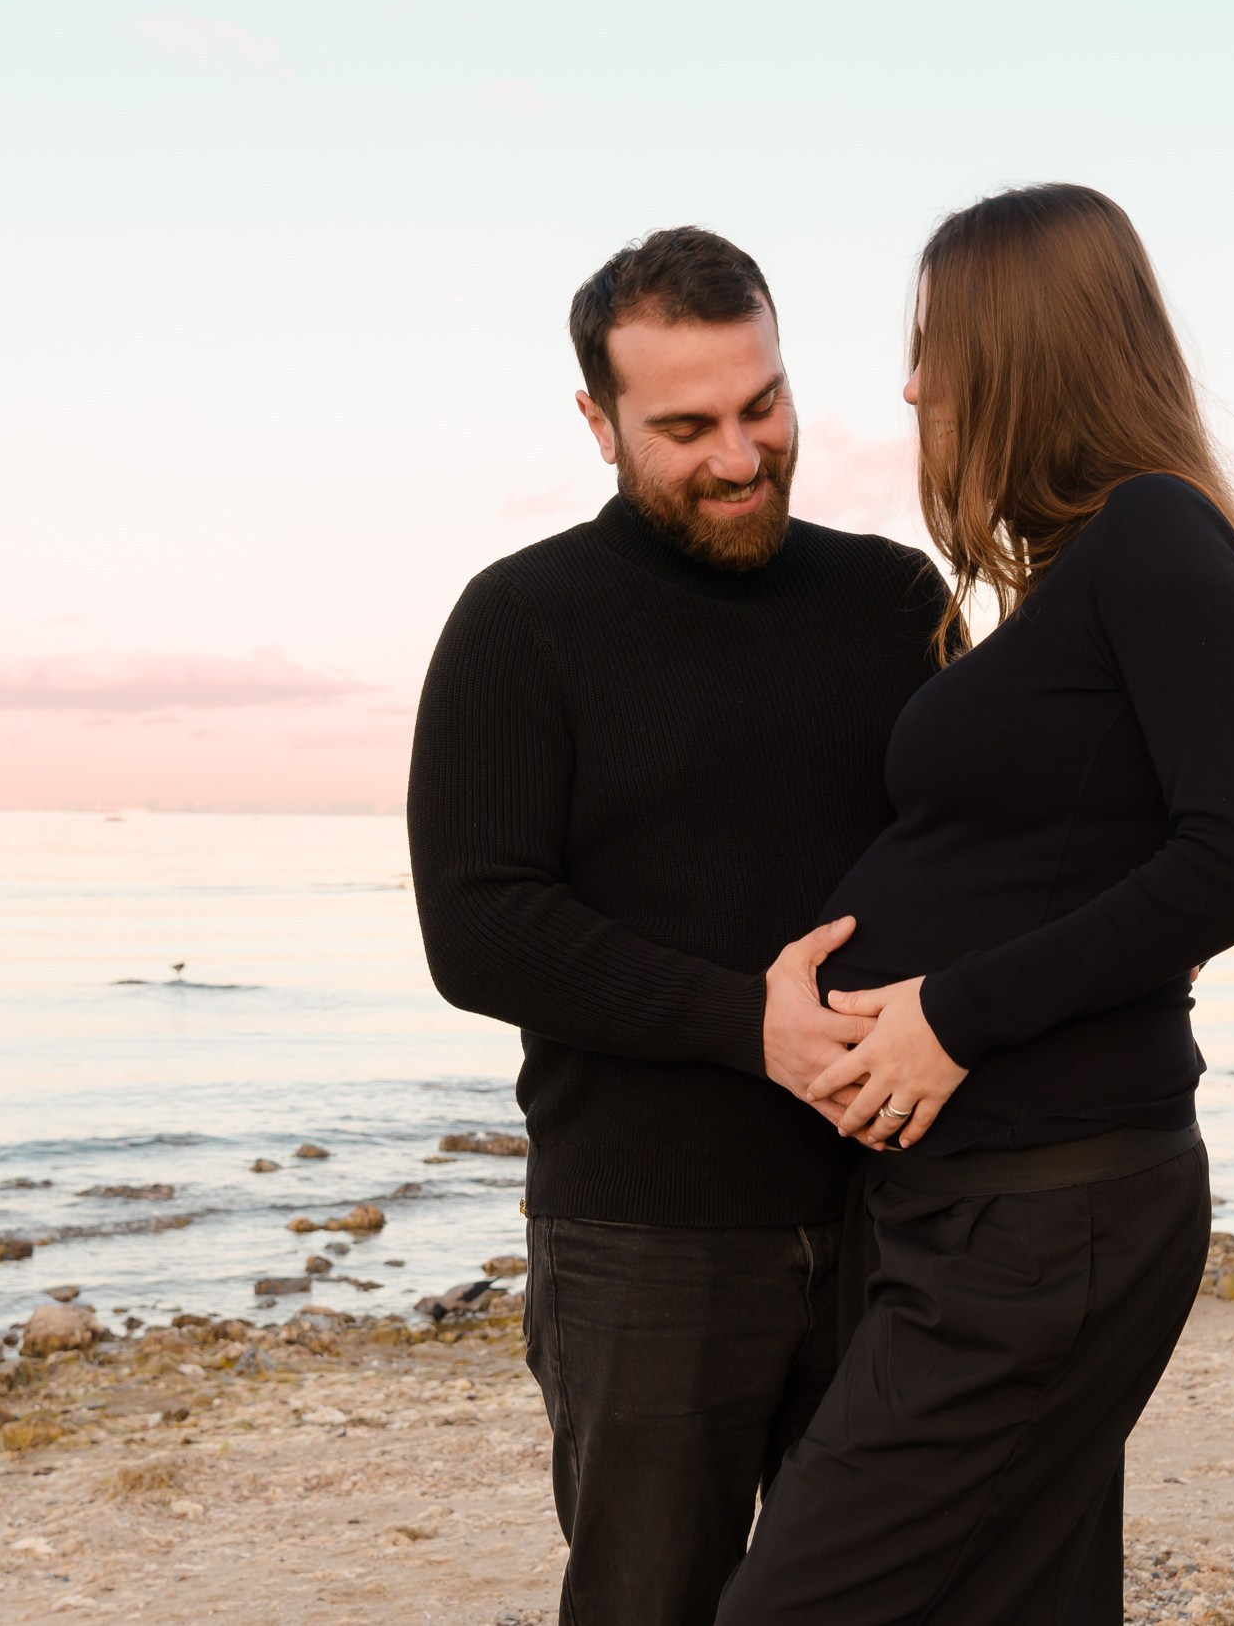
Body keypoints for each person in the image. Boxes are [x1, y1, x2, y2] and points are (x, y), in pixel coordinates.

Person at [716, 183, 1234, 1625]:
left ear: (1024, 349)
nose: (915, 386)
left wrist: (951, 1017)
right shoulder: (1075, 574)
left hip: (1052, 1213)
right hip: (994, 1205)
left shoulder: (1157, 533)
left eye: (938, 346)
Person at [405, 226, 948, 1626]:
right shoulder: (519, 621)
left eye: (763, 405)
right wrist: (745, 1023)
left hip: (894, 1212)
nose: (740, 456)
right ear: (599, 424)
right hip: (643, 1240)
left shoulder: (896, 601)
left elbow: (972, 854)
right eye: (686, 428)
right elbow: (478, 926)